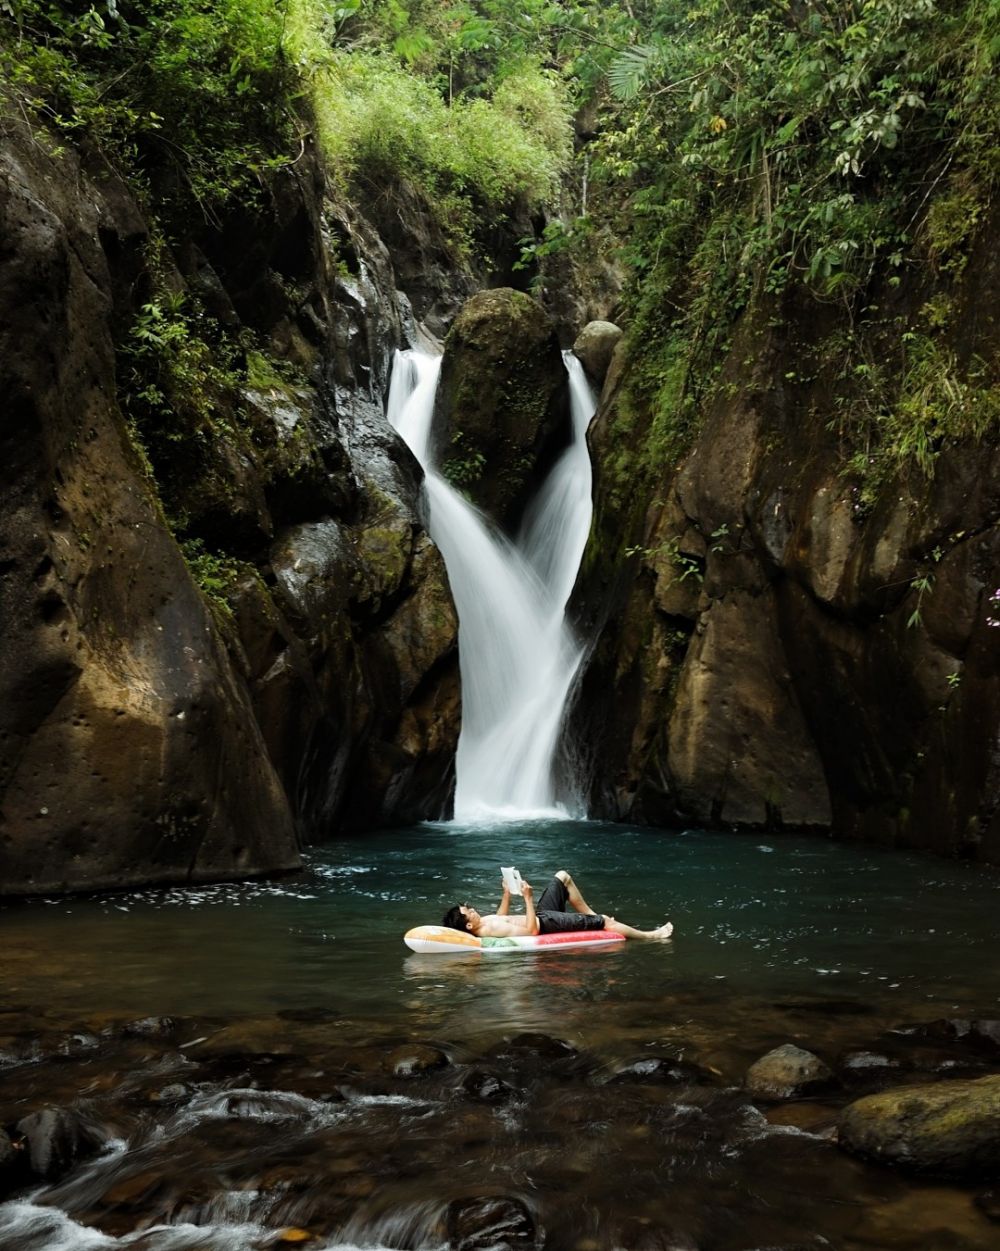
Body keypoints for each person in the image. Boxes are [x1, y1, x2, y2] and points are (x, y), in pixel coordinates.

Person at [441, 869, 673, 941]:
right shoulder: (490, 930)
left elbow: (501, 915)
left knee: (562, 877)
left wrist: (506, 894)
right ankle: (649, 936)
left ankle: (592, 917)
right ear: (469, 926)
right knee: (606, 922)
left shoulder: (485, 924)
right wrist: (528, 898)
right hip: (547, 923)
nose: (472, 909)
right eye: (467, 912)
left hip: (543, 915)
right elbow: (532, 931)